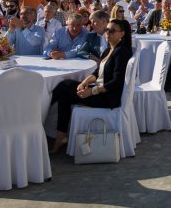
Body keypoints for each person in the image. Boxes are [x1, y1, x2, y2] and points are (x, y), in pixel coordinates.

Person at [49, 18, 133, 154]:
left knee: (65, 85)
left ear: (122, 34)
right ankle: (61, 137)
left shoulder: (121, 52)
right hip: (100, 91)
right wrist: (85, 82)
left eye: (112, 31)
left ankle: (43, 112)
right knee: (65, 96)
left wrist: (92, 91)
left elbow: (116, 82)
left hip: (107, 97)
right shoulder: (108, 50)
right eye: (107, 30)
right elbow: (97, 72)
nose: (108, 33)